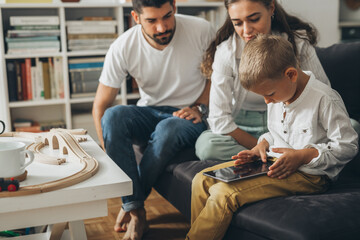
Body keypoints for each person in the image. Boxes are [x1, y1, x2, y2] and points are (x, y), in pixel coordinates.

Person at [186, 34, 359, 240]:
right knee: (202, 179)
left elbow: (348, 146)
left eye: (269, 94)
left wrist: (303, 155)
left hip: (310, 175)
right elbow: (276, 133)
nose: (267, 102)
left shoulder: (325, 99)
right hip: (273, 162)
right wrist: (262, 145)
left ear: (291, 74)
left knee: (224, 194)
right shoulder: (280, 94)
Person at [92, 0, 215, 239]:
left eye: (167, 16)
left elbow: (219, 77)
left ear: (175, 7)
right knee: (113, 116)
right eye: (152, 20)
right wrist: (108, 152)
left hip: (188, 115)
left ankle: (132, 208)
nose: (162, 27)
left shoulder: (202, 29)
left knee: (168, 128)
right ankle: (136, 208)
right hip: (149, 111)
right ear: (136, 18)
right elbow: (100, 106)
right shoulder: (123, 45)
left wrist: (200, 107)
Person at [195, 0, 331, 161]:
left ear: (271, 8)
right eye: (237, 23)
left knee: (351, 128)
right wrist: (261, 148)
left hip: (292, 123)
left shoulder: (298, 44)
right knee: (207, 146)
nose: (246, 31)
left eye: (254, 19)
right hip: (243, 127)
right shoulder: (226, 53)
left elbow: (323, 96)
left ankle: (282, 159)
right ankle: (275, 159)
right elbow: (219, 120)